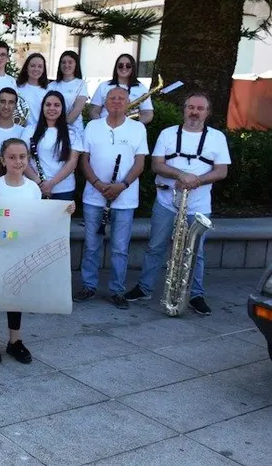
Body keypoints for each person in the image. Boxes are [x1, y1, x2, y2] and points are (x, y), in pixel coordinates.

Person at [125, 92, 230, 315]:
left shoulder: (217, 137)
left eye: (200, 108)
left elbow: (222, 171)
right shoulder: (167, 134)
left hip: (199, 205)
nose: (194, 111)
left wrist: (197, 180)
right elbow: (156, 165)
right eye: (190, 107)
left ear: (208, 112)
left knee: (196, 252)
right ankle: (144, 288)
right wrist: (182, 176)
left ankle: (196, 295)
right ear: (184, 109)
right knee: (155, 246)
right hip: (167, 201)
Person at [0, 138, 76, 364]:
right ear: (3, 160)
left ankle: (15, 340)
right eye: (12, 157)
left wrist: (64, 211)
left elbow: (41, 217)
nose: (17, 161)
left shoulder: (33, 188)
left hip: (21, 249)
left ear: (28, 159)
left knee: (17, 294)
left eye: (22, 157)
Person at [75, 87, 149, 309]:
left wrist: (122, 185)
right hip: (94, 197)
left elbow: (140, 163)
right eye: (112, 98)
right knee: (91, 245)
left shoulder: (137, 128)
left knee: (119, 248)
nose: (116, 101)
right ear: (105, 102)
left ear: (128, 103)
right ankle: (89, 286)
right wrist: (97, 184)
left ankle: (117, 290)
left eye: (121, 98)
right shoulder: (92, 127)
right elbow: (84, 161)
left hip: (124, 198)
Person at [21, 91, 82, 200]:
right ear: (42, 107)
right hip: (35, 187)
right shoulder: (30, 130)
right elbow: (23, 159)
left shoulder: (72, 132)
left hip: (64, 190)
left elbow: (72, 162)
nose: (52, 108)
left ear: (62, 108)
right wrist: (39, 183)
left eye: (57, 105)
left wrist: (51, 184)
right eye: (48, 104)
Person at [89, 54, 153, 125]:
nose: (124, 68)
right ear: (116, 67)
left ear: (133, 68)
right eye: (120, 65)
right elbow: (94, 110)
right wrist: (101, 125)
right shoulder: (103, 86)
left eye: (128, 66)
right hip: (105, 127)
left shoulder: (141, 88)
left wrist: (135, 126)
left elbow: (148, 113)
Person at [47, 50, 89, 135]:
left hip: (75, 130)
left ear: (76, 64)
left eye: (70, 62)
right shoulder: (51, 86)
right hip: (53, 129)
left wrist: (62, 125)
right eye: (63, 62)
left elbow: (77, 109)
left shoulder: (81, 84)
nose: (66, 65)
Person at [0, 87, 25, 166]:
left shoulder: (23, 132)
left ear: (16, 106)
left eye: (11, 102)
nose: (6, 106)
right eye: (3, 102)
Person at [15, 53, 49, 128]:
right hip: (20, 132)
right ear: (26, 68)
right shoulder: (17, 88)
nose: (36, 69)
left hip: (41, 132)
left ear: (43, 70)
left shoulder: (48, 91)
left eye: (40, 66)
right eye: (32, 66)